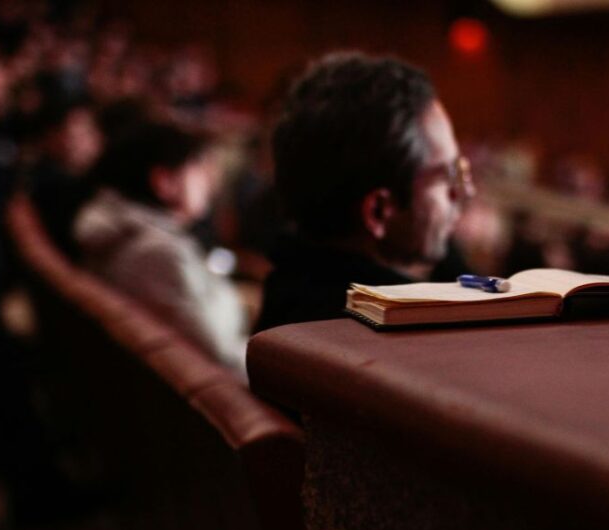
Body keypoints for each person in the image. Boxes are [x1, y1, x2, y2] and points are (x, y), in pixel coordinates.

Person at [255, 52, 474, 332]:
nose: (466, 191)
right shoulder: (404, 332)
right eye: (448, 177)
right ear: (378, 211)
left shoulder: (291, 288)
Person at [74, 121, 248, 373]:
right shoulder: (157, 256)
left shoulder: (128, 232)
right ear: (164, 181)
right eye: (197, 166)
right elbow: (221, 359)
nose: (209, 179)